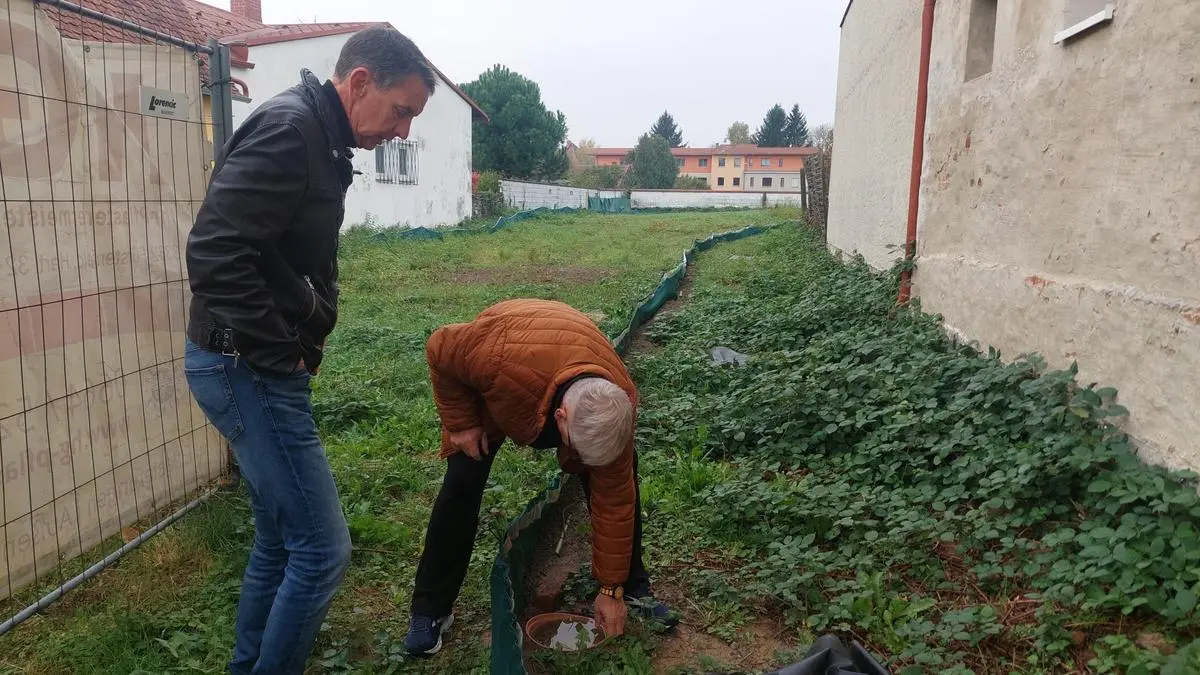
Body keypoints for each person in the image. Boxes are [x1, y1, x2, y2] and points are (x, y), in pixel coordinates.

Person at [183, 27, 436, 675]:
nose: (402, 131)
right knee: (322, 550)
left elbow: (282, 253)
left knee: (279, 538)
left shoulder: (320, 138)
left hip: (251, 363)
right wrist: (279, 353)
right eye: (401, 110)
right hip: (247, 366)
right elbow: (214, 250)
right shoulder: (292, 133)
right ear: (358, 83)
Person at [404, 299, 677, 656]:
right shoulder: (494, 357)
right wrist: (462, 424)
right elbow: (439, 347)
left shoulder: (614, 408)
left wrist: (610, 589)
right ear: (560, 419)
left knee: (619, 482)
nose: (579, 462)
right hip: (504, 380)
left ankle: (632, 589)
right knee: (461, 485)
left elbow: (614, 504)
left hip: (566, 355)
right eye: (576, 451)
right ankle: (430, 609)